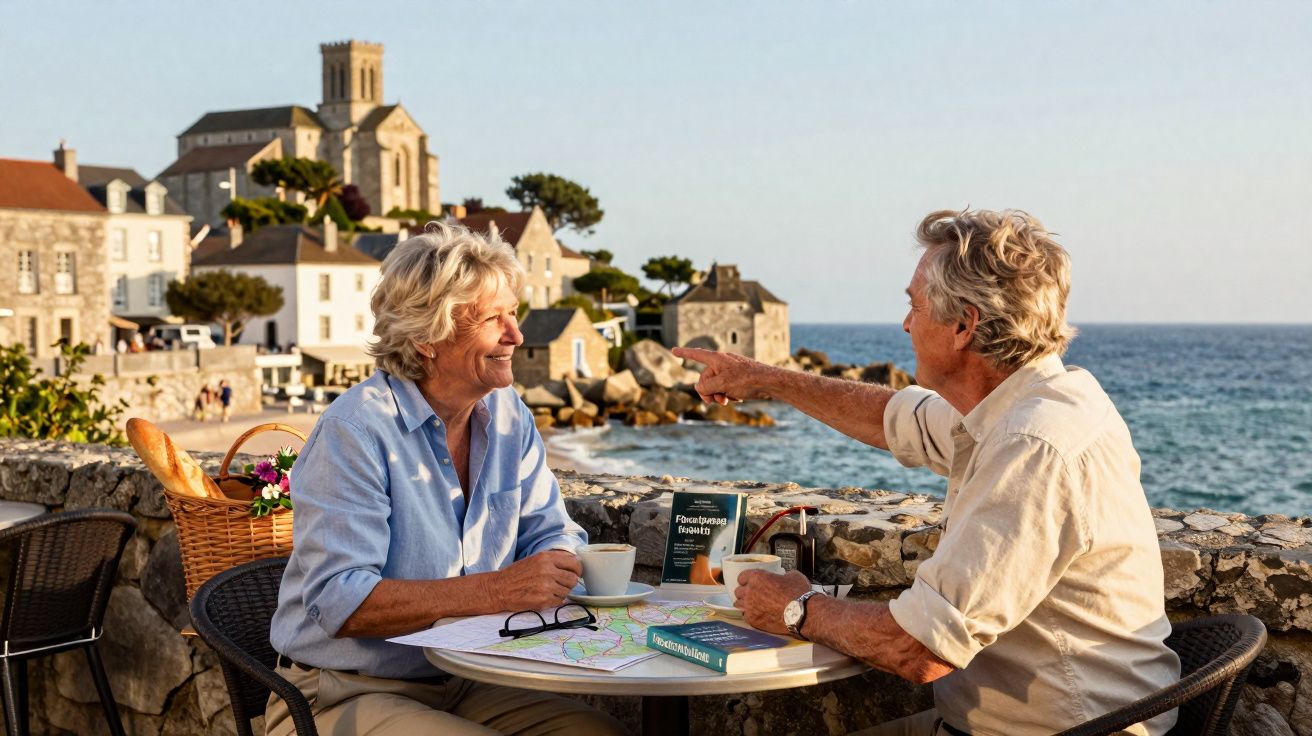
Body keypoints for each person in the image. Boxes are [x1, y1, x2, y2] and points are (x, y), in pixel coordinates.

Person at [674, 208, 1180, 736]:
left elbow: (919, 649)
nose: (906, 323)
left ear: (964, 325)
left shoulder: (1031, 446)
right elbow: (892, 416)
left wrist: (798, 609)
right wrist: (762, 378)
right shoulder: (1032, 400)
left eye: (914, 306)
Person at [266, 223, 627, 736]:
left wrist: (558, 561)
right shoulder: (355, 431)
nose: (516, 336)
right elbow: (341, 602)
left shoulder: (507, 415)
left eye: (514, 314)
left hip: (468, 679)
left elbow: (553, 531)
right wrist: (496, 591)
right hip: (340, 691)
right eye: (492, 319)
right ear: (426, 337)